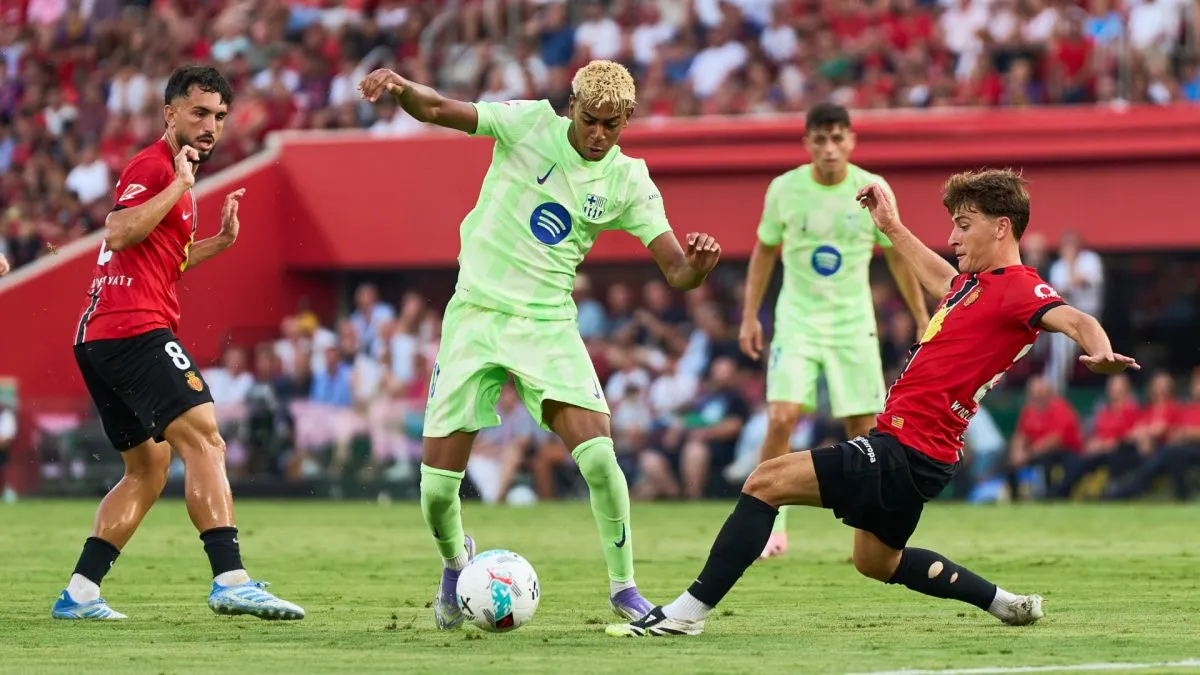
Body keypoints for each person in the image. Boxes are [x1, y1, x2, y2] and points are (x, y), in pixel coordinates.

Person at [606, 168, 1138, 638]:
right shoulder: (974, 286)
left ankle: (685, 614)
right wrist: (890, 226)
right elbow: (940, 278)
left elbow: (1076, 319)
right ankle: (1004, 603)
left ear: (1002, 227)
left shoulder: (1020, 287)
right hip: (922, 453)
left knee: (765, 480)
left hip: (907, 448)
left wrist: (1101, 352)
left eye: (964, 224)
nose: (953, 237)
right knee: (876, 561)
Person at [358, 59, 722, 629]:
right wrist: (401, 88)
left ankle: (625, 589)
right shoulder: (527, 124)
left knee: (599, 456)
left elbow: (676, 271)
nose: (598, 134)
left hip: (547, 324)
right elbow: (437, 108)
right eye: (589, 120)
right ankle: (455, 563)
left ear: (627, 120)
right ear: (570, 105)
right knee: (436, 492)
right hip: (475, 316)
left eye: (611, 125)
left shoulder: (629, 180)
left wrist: (697, 267)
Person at [53, 66, 304, 621]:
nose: (211, 125)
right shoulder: (157, 166)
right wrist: (179, 186)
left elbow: (165, 259)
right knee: (207, 440)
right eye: (199, 113)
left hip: (100, 337)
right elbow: (119, 231)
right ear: (170, 114)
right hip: (134, 328)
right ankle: (231, 579)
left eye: (219, 116)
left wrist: (221, 241)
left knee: (148, 468)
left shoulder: (175, 175)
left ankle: (81, 592)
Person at [739, 103, 930, 559]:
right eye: (821, 139)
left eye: (837, 138)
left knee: (862, 429)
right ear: (807, 142)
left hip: (852, 323)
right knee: (782, 417)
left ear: (851, 141)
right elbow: (764, 251)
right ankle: (770, 521)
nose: (829, 148)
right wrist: (749, 315)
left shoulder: (874, 190)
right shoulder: (784, 189)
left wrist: (922, 315)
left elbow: (897, 255)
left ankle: (864, 533)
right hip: (797, 321)